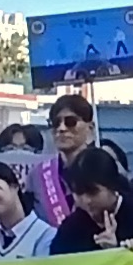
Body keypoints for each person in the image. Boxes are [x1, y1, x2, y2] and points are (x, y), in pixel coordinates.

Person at [32, 94, 97, 227]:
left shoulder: (104, 167)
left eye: (70, 122)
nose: (61, 129)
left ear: (90, 128)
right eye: (56, 123)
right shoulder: (38, 175)